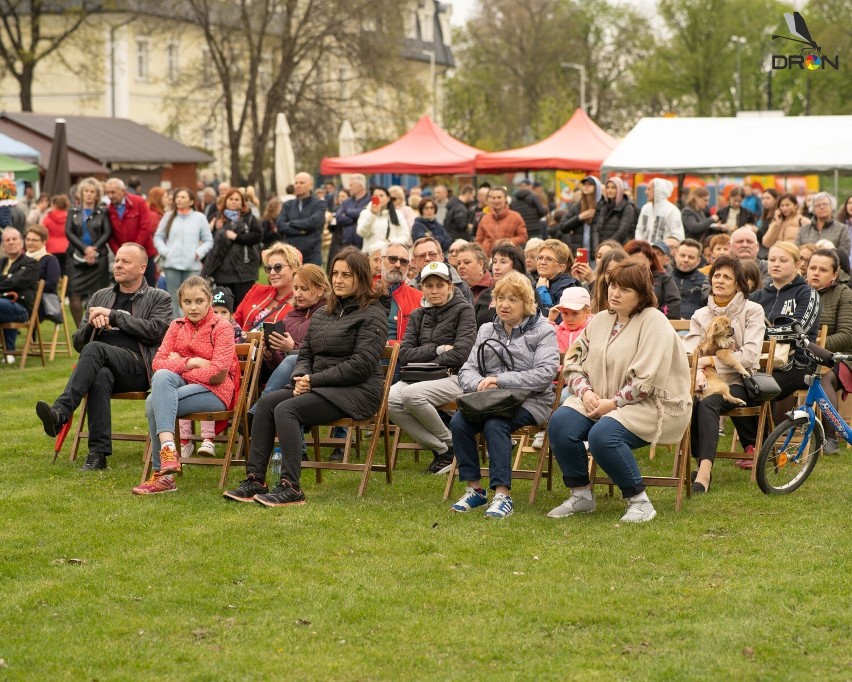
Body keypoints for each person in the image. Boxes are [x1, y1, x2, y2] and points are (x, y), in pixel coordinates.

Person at [223, 247, 389, 506]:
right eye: (335, 273)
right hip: (318, 386)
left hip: (358, 391)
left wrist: (313, 381)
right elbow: (305, 354)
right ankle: (255, 479)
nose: (339, 280)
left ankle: (291, 488)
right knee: (267, 404)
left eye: (347, 274)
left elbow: (361, 365)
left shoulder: (373, 312)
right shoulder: (325, 312)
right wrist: (301, 376)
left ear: (362, 278)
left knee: (287, 410)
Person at [547, 260, 691, 522]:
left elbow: (645, 382)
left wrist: (611, 404)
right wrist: (586, 393)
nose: (615, 293)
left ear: (641, 294)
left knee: (603, 434)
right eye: (613, 286)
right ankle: (581, 495)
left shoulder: (654, 322)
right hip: (599, 397)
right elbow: (573, 362)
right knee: (560, 423)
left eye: (624, 289)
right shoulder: (600, 320)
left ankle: (639, 501)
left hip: (651, 405)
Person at [35, 243, 172, 470]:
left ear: (142, 268)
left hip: (138, 368)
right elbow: (79, 343)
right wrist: (90, 325)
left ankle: (61, 412)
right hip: (103, 365)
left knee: (95, 349)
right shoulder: (100, 296)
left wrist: (114, 316)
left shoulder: (159, 297)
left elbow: (157, 332)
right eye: (117, 260)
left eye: (125, 261)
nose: (118, 265)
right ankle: (97, 455)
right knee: (99, 375)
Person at [449, 271, 559, 519]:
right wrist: (478, 384)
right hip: (489, 399)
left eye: (513, 300)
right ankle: (475, 489)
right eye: (500, 298)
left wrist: (500, 380)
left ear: (527, 304)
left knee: (496, 423)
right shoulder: (487, 329)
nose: (505, 305)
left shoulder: (543, 331)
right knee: (459, 421)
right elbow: (467, 368)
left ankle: (502, 494)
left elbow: (544, 374)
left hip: (531, 400)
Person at [132, 277, 238, 494]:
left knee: (154, 402)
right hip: (183, 387)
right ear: (180, 303)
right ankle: (169, 449)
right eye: (187, 302)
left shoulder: (222, 327)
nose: (193, 307)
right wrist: (194, 362)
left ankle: (164, 475)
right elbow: (157, 363)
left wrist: (178, 363)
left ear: (209, 300)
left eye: (199, 301)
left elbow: (218, 374)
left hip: (215, 392)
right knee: (161, 376)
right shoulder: (176, 326)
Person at [682, 256, 766, 493]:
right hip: (703, 378)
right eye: (716, 275)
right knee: (692, 402)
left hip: (740, 380)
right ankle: (699, 463)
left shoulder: (753, 310)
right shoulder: (701, 314)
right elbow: (689, 350)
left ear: (738, 284)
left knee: (708, 403)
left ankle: (704, 473)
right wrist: (698, 367)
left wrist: (710, 360)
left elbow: (750, 355)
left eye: (727, 277)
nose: (720, 280)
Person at [388, 261, 477, 474]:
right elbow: (404, 354)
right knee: (390, 400)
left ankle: (451, 446)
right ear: (422, 288)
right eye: (429, 286)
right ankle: (446, 448)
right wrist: (438, 349)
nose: (434, 290)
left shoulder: (464, 311)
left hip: (455, 377)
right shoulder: (419, 314)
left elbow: (460, 355)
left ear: (450, 287)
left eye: (440, 285)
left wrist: (425, 358)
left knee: (411, 395)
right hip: (420, 377)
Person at [750, 242, 821, 434]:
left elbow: (798, 331)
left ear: (797, 264)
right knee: (740, 386)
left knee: (759, 386)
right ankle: (754, 444)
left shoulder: (807, 293)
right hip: (759, 362)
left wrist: (762, 333)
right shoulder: (756, 296)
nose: (776, 264)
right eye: (772, 259)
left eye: (783, 260)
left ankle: (762, 444)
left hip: (799, 365)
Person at [176, 286, 246, 459]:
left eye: (224, 312)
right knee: (178, 395)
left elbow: (220, 368)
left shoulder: (233, 332)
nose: (219, 316)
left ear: (231, 314)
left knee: (203, 391)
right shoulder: (197, 329)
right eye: (215, 311)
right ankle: (184, 440)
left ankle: (208, 438)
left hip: (222, 385)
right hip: (196, 379)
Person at [249, 264, 329, 414]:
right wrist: (271, 355)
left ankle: (257, 412)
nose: (298, 294)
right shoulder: (290, 317)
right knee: (280, 360)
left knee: (292, 360)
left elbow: (324, 350)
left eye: (304, 289)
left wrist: (293, 348)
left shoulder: (328, 314)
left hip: (317, 374)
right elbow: (280, 366)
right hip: (291, 379)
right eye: (296, 288)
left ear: (321, 289)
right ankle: (259, 412)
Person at [805, 248, 852, 453]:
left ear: (834, 275)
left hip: (840, 358)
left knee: (823, 379)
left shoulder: (844, 293)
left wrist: (815, 346)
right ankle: (778, 432)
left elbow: (847, 335)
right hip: (803, 355)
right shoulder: (800, 292)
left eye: (822, 270)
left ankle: (829, 438)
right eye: (812, 268)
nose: (816, 272)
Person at [153, 187, 214, 317]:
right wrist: (165, 251)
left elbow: (208, 240)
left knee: (192, 297)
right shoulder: (168, 216)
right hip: (171, 265)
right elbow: (158, 236)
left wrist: (199, 252)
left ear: (191, 201)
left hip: (192, 265)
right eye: (177, 197)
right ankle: (177, 328)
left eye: (183, 197)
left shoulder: (200, 218)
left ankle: (192, 328)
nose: (179, 200)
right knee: (174, 299)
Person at [201, 187, 263, 307]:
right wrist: (214, 229)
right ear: (226, 201)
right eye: (231, 199)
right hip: (222, 270)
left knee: (243, 306)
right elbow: (209, 240)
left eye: (237, 199)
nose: (234, 201)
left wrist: (237, 237)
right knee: (223, 307)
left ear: (242, 202)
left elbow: (258, 236)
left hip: (244, 270)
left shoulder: (249, 217)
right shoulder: (217, 216)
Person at [65, 178, 112, 326]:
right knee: (74, 295)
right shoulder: (72, 211)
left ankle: (92, 327)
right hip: (75, 258)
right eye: (86, 191)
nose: (89, 194)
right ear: (81, 193)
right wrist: (84, 249)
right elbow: (68, 232)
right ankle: (80, 329)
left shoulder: (102, 211)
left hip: (98, 259)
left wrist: (93, 249)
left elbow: (107, 232)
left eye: (92, 192)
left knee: (97, 296)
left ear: (97, 194)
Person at [233, 241, 300, 334]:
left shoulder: (301, 300)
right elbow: (235, 320)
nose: (272, 273)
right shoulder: (256, 290)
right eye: (268, 268)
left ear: (295, 269)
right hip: (244, 347)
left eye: (278, 267)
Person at [105, 178, 157, 286]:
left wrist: (134, 250)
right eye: (108, 192)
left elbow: (146, 227)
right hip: (124, 258)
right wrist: (120, 252)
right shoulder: (108, 210)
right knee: (126, 290)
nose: (110, 195)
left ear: (123, 191)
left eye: (113, 192)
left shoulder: (138, 202)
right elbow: (109, 235)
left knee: (149, 289)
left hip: (145, 254)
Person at [0, 228, 39, 354]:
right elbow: (11, 281)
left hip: (20, 308)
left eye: (14, 239)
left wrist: (8, 278)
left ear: (22, 242)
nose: (11, 242)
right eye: (7, 240)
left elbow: (16, 282)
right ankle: (9, 352)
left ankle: (9, 351)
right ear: (3, 245)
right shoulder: (1, 262)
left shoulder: (31, 263)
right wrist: (8, 278)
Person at [275, 172, 327, 265]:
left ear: (310, 185)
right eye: (296, 183)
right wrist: (302, 231)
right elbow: (280, 225)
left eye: (302, 183)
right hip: (290, 254)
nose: (298, 185)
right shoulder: (288, 205)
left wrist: (291, 223)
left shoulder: (319, 204)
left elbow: (314, 222)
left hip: (312, 255)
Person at [474, 241, 526, 327]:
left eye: (503, 262)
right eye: (494, 262)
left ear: (515, 266)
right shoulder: (485, 294)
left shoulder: (528, 293)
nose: (496, 267)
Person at [624, 240, 681, 319]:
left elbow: (673, 308)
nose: (636, 267)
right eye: (632, 262)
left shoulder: (664, 279)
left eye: (641, 263)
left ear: (650, 261)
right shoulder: (618, 279)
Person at [550, 176, 601, 255]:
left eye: (590, 184)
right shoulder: (577, 207)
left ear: (597, 187)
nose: (586, 186)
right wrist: (580, 217)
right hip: (580, 252)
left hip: (597, 252)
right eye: (584, 184)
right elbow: (563, 227)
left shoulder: (602, 206)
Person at [796, 193, 851, 261]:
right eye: (818, 205)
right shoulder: (803, 229)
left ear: (832, 206)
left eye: (825, 204)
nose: (822, 207)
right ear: (813, 209)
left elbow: (844, 254)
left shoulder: (842, 229)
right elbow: (797, 252)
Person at [357, 186, 411, 254]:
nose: (378, 198)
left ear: (388, 198)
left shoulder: (397, 214)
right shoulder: (365, 213)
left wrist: (390, 242)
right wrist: (373, 215)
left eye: (381, 195)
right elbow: (362, 233)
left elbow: (405, 235)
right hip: (370, 255)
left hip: (391, 254)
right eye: (375, 196)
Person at [475, 186, 527, 257]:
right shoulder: (485, 218)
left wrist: (505, 242)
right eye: (493, 198)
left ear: (505, 199)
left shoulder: (516, 216)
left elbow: (523, 237)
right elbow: (478, 240)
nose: (496, 200)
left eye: (499, 197)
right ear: (489, 199)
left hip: (509, 257)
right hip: (488, 258)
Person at [329, 174, 370, 263]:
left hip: (364, 245)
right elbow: (339, 217)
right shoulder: (346, 202)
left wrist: (347, 212)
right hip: (346, 244)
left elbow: (365, 213)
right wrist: (356, 217)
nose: (349, 188)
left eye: (352, 185)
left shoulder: (369, 200)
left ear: (360, 186)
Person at [535, 238, 580, 318]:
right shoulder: (532, 284)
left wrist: (542, 292)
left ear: (561, 267)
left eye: (549, 259)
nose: (542, 262)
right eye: (540, 258)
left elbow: (558, 320)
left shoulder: (569, 289)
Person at [23, 225, 61, 319]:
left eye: (34, 240)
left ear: (44, 242)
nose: (30, 243)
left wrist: (27, 284)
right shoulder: (21, 259)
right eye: (28, 239)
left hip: (42, 301)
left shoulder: (50, 259)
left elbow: (52, 285)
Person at [635, 178, 684, 244]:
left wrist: (662, 248)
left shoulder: (672, 211)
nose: (645, 192)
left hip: (663, 253)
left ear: (658, 191)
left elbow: (678, 236)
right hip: (645, 251)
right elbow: (639, 229)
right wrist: (640, 245)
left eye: (649, 189)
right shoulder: (645, 208)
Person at [456, 242, 493, 325]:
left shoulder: (494, 287)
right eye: (458, 263)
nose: (461, 266)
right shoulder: (453, 288)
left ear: (480, 264)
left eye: (466, 262)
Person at [548, 286, 593, 353]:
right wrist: (550, 320)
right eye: (565, 313)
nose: (569, 319)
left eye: (575, 313)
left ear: (588, 312)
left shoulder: (594, 331)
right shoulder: (557, 330)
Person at [593, 177, 636, 245]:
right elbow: (597, 228)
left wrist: (608, 245)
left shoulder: (627, 207)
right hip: (603, 247)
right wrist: (596, 246)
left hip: (618, 247)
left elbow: (622, 230)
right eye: (607, 187)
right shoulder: (604, 206)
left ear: (619, 189)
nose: (609, 190)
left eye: (613, 188)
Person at [672, 238, 707, 319]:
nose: (686, 260)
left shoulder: (706, 282)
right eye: (682, 255)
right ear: (676, 255)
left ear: (698, 261)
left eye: (691, 257)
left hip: (694, 328)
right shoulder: (664, 280)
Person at [590, 249, 628, 314]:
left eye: (618, 271)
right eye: (609, 272)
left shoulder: (632, 301)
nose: (614, 276)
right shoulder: (594, 305)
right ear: (603, 275)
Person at [41, 194, 69, 275]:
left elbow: (42, 232)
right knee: (65, 272)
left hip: (51, 248)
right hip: (66, 247)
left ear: (55, 205)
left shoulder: (48, 218)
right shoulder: (69, 217)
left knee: (53, 272)